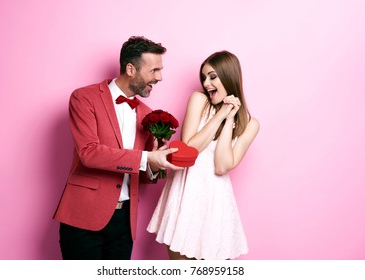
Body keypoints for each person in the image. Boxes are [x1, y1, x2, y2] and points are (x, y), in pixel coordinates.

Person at [53, 36, 183, 260]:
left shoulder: (146, 113)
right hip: (83, 218)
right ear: (131, 69)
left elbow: (140, 171)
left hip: (124, 224)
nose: (160, 77)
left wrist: (155, 163)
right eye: (154, 70)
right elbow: (89, 153)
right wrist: (147, 157)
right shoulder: (84, 98)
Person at [147, 50, 260, 260]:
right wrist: (221, 114)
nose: (206, 83)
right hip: (186, 194)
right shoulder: (199, 99)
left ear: (229, 76)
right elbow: (190, 147)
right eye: (204, 77)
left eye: (212, 76)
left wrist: (230, 120)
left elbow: (221, 166)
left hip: (216, 202)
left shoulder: (250, 124)